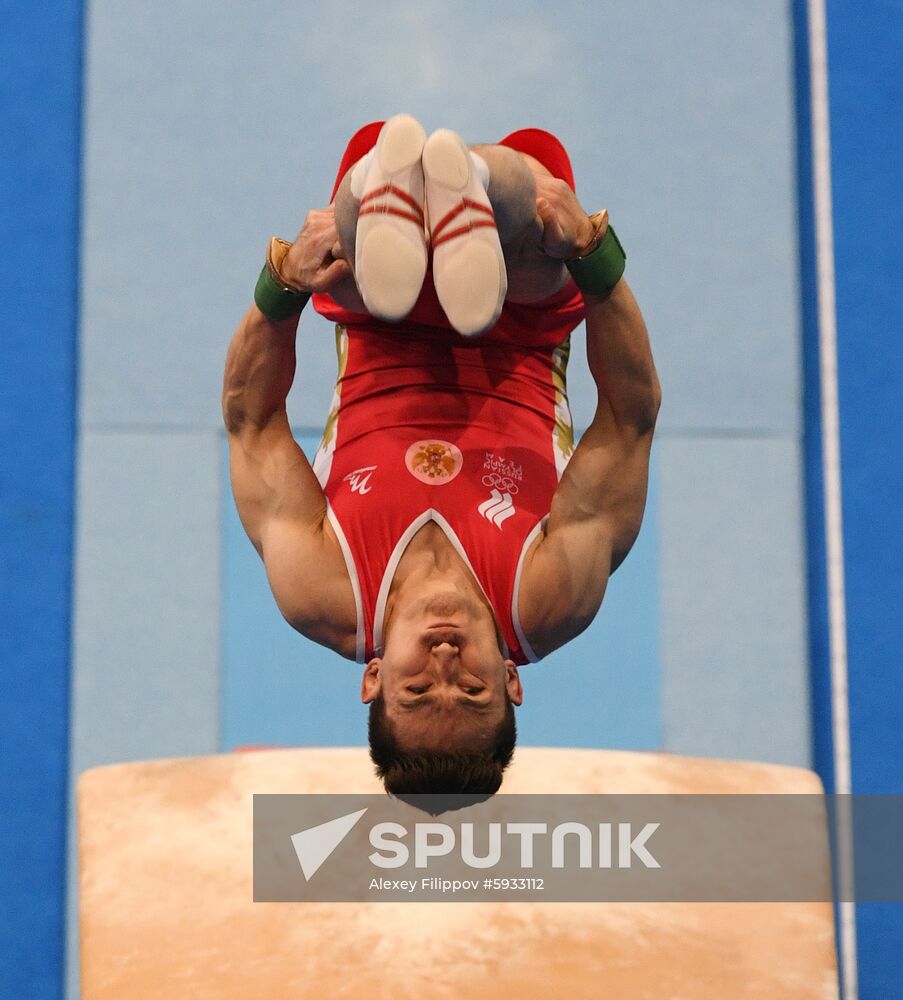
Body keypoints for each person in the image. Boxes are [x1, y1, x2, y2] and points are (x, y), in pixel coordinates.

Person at [222, 115, 661, 798]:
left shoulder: (323, 588)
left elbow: (251, 421)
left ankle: (398, 195)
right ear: (512, 682)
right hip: (522, 327)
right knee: (532, 223)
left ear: (374, 680)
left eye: (418, 688)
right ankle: (474, 188)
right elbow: (628, 419)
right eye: (474, 687)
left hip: (375, 320)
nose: (446, 658)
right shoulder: (548, 597)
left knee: (348, 248)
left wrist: (284, 283)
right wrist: (594, 258)